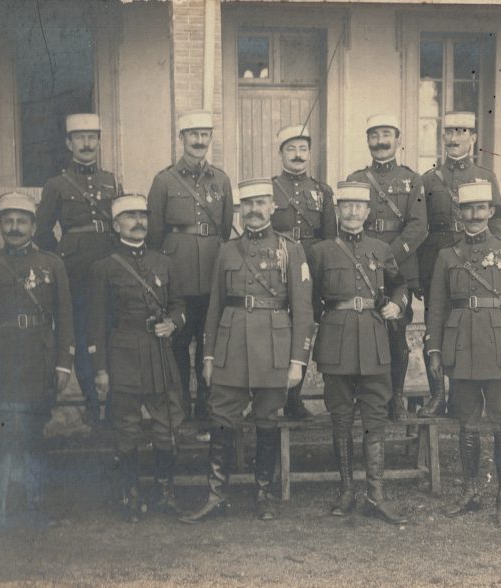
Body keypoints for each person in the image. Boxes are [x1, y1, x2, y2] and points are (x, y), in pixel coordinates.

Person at [180, 179, 314, 523]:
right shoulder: (227, 250)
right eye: (248, 204)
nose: (254, 210)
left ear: (272, 207)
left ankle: (264, 494)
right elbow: (214, 305)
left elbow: (303, 310)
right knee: (222, 417)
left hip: (273, 345)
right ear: (240, 209)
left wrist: (298, 361)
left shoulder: (290, 249)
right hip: (231, 343)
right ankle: (216, 495)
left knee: (267, 419)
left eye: (261, 203)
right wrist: (209, 355)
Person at [0, 192, 74, 530]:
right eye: (8, 220)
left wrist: (63, 362)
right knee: (2, 437)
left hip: (37, 359)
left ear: (34, 225)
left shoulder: (52, 265)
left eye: (22, 221)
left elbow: (65, 318)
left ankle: (36, 509)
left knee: (34, 435)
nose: (15, 227)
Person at [425, 181, 501, 527]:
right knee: (467, 425)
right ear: (459, 213)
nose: (473, 215)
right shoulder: (447, 255)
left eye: (480, 209)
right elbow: (437, 307)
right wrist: (434, 348)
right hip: (461, 349)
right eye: (467, 209)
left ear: (490, 212)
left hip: (499, 349)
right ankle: (472, 492)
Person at [309, 181, 410, 524]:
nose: (352, 212)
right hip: (336, 342)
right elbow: (310, 302)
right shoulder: (321, 251)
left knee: (374, 418)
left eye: (358, 206)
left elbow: (400, 283)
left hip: (373, 340)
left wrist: (396, 304)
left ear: (368, 212)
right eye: (346, 206)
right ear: (337, 211)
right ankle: (347, 490)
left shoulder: (380, 249)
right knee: (340, 417)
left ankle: (376, 493)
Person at [88, 194, 186, 522]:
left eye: (142, 215)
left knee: (166, 425)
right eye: (130, 216)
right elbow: (97, 322)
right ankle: (129, 494)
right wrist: (101, 369)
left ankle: (165, 493)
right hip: (123, 352)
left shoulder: (164, 263)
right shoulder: (104, 268)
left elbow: (179, 304)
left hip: (158, 352)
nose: (138, 222)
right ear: (116, 225)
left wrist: (173, 322)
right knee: (127, 427)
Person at [418, 111, 501, 418]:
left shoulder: (486, 177)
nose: (454, 138)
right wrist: (421, 274)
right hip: (437, 265)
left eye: (461, 131)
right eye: (449, 132)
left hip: (474, 267)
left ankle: (462, 391)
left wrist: (487, 262)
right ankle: (436, 395)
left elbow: (498, 224)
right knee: (434, 328)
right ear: (443, 137)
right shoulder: (429, 179)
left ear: (473, 138)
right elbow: (420, 227)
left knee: (467, 326)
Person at [34, 113, 122, 426]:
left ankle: (113, 403)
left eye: (92, 137)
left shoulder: (111, 181)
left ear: (99, 141)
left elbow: (122, 222)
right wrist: (60, 257)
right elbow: (41, 229)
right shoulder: (57, 184)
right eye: (80, 138)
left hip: (110, 267)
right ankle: (91, 403)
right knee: (85, 334)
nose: (87, 143)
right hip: (76, 272)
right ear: (69, 143)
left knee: (111, 333)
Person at [146, 111, 234, 420]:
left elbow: (224, 228)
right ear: (181, 138)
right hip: (178, 275)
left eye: (204, 134)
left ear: (210, 138)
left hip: (211, 273)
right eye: (193, 134)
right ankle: (180, 404)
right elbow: (154, 235)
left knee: (209, 340)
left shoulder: (221, 180)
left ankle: (206, 408)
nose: (199, 140)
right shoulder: (164, 180)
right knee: (179, 344)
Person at [347, 114, 427, 421]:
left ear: (398, 139)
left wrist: (385, 257)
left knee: (396, 334)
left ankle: (395, 397)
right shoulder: (355, 179)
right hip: (361, 271)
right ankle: (361, 398)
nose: (380, 141)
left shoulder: (413, 180)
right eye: (374, 135)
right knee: (360, 334)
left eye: (386, 134)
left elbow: (418, 227)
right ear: (367, 141)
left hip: (398, 271)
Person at [270, 123, 336, 419]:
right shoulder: (270, 187)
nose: (297, 155)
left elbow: (329, 238)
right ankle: (273, 395)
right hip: (277, 270)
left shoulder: (322, 191)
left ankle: (293, 399)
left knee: (303, 327)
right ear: (281, 153)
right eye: (291, 149)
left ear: (310, 153)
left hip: (309, 270)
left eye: (303, 149)